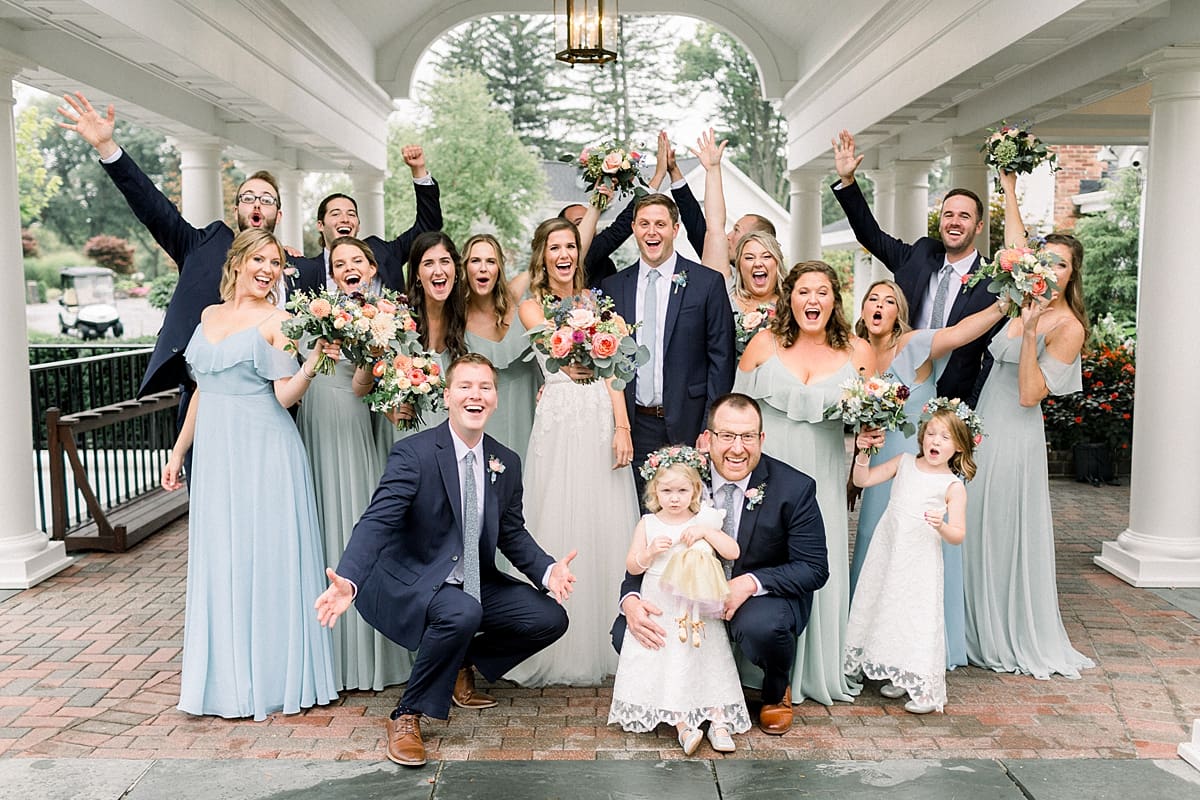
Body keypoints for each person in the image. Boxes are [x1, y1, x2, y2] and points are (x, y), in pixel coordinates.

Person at [314, 354, 577, 767]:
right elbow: (377, 522)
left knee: (550, 619)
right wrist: (348, 579)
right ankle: (406, 715)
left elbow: (511, 534)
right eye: (465, 386)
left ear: (495, 399)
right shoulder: (414, 454)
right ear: (447, 396)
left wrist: (547, 570)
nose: (476, 394)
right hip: (415, 577)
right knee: (462, 610)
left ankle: (458, 663)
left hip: (472, 579)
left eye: (485, 387)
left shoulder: (505, 462)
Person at [160, 228, 337, 720]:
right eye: (259, 258)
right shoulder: (208, 316)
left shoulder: (279, 321)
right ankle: (224, 680)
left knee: (264, 559)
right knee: (222, 557)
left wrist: (313, 363)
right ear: (237, 262)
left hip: (265, 451)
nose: (268, 269)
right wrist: (177, 452)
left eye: (276, 263)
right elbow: (202, 390)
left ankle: (270, 678)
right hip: (217, 454)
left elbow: (283, 396)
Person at [56, 91, 286, 421]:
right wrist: (108, 148)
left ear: (279, 213)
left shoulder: (295, 267)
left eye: (267, 199)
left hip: (274, 409)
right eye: (248, 197)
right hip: (204, 403)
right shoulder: (200, 246)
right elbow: (153, 208)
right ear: (236, 208)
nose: (257, 204)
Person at [614, 394, 830, 736]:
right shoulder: (680, 479)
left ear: (761, 439)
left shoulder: (794, 488)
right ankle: (681, 697)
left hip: (756, 599)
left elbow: (814, 568)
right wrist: (630, 601)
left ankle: (776, 691)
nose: (737, 448)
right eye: (727, 436)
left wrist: (746, 584)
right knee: (627, 632)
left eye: (747, 437)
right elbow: (646, 549)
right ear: (709, 438)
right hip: (682, 600)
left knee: (763, 629)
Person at [963, 170, 1094, 680]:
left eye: (1062, 264)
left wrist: (1034, 324)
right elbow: (1018, 246)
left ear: (1072, 274)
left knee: (999, 527)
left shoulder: (1066, 326)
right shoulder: (1022, 298)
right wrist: (1010, 189)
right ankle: (970, 624)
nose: (1052, 270)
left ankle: (1002, 629)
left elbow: (1028, 393)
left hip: (1016, 432)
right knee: (971, 524)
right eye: (1048, 261)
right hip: (983, 423)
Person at [504, 218, 640, 686]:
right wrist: (595, 340)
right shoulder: (531, 306)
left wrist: (622, 425)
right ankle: (553, 638)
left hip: (600, 413)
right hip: (560, 414)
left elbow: (610, 369)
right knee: (556, 510)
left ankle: (610, 634)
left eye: (570, 247)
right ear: (542, 255)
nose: (563, 255)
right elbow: (567, 357)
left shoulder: (597, 301)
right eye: (554, 247)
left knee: (604, 515)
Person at [734, 261, 875, 705]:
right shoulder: (763, 343)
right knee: (762, 551)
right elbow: (736, 414)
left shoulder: (859, 353)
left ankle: (814, 669)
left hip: (823, 477)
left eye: (822, 292)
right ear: (788, 296)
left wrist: (868, 443)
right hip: (768, 472)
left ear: (835, 300)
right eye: (802, 292)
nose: (811, 300)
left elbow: (871, 421)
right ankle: (756, 667)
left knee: (817, 558)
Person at [849, 280, 1007, 668]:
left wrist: (1005, 303)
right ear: (863, 309)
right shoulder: (855, 352)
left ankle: (928, 648)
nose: (879, 305)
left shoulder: (915, 343)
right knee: (874, 544)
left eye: (889, 300)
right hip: (881, 463)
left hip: (922, 464)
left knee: (923, 549)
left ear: (898, 312)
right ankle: (869, 643)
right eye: (873, 298)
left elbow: (959, 333)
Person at [295, 236, 414, 692]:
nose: (349, 267)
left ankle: (365, 656)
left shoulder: (384, 316)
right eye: (339, 262)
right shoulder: (313, 312)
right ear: (331, 270)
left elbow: (364, 388)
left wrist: (369, 347)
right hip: (314, 421)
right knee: (322, 527)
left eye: (357, 262)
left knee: (358, 528)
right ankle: (326, 658)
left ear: (371, 269)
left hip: (352, 422)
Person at [830, 129, 1001, 402]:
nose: (954, 222)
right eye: (949, 214)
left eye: (964, 216)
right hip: (899, 390)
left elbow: (993, 354)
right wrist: (848, 180)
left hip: (954, 402)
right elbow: (870, 236)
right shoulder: (919, 255)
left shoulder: (992, 280)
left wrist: (972, 407)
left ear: (979, 226)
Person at [608, 447, 750, 755]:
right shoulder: (648, 523)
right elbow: (632, 565)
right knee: (669, 660)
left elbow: (733, 552)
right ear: (655, 490)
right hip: (661, 604)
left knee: (705, 660)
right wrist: (647, 554)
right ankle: (683, 724)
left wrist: (706, 532)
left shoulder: (704, 520)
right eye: (667, 490)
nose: (674, 498)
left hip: (696, 606)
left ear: (695, 491)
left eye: (682, 490)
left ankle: (718, 721)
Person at [602, 193, 735, 499]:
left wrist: (709, 429)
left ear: (675, 229)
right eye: (645, 224)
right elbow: (604, 360)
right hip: (632, 426)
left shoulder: (707, 283)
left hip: (689, 425)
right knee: (635, 516)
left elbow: (721, 362)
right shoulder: (613, 287)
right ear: (634, 228)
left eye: (660, 224)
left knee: (685, 516)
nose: (652, 232)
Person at [844, 408, 976, 715]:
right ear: (921, 437)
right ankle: (871, 666)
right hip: (888, 549)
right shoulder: (903, 463)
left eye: (945, 437)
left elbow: (957, 534)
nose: (936, 441)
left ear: (958, 446)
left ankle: (920, 685)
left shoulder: (952, 486)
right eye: (931, 433)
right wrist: (863, 452)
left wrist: (941, 525)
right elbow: (862, 479)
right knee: (879, 600)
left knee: (914, 614)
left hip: (920, 559)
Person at [288, 146, 442, 293]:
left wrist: (419, 170)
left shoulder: (384, 253)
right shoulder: (308, 269)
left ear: (358, 226)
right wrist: (281, 249)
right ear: (320, 225)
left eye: (351, 214)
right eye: (336, 214)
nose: (345, 219)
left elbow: (428, 226)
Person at [574, 131, 708, 288]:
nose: (589, 226)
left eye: (660, 224)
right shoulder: (573, 261)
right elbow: (618, 230)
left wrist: (660, 174)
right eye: (579, 223)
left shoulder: (606, 268)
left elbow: (620, 228)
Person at [372, 231, 466, 452]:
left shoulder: (463, 319)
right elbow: (373, 379)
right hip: (402, 433)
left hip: (449, 434)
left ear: (455, 269)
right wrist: (390, 411)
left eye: (445, 261)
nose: (438, 271)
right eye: (428, 264)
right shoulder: (397, 320)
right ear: (416, 275)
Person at [462, 234, 539, 460]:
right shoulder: (454, 317)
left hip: (529, 417)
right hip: (481, 427)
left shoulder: (518, 303)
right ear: (465, 267)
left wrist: (595, 206)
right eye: (475, 261)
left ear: (499, 268)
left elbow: (558, 256)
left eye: (491, 261)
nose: (483, 268)